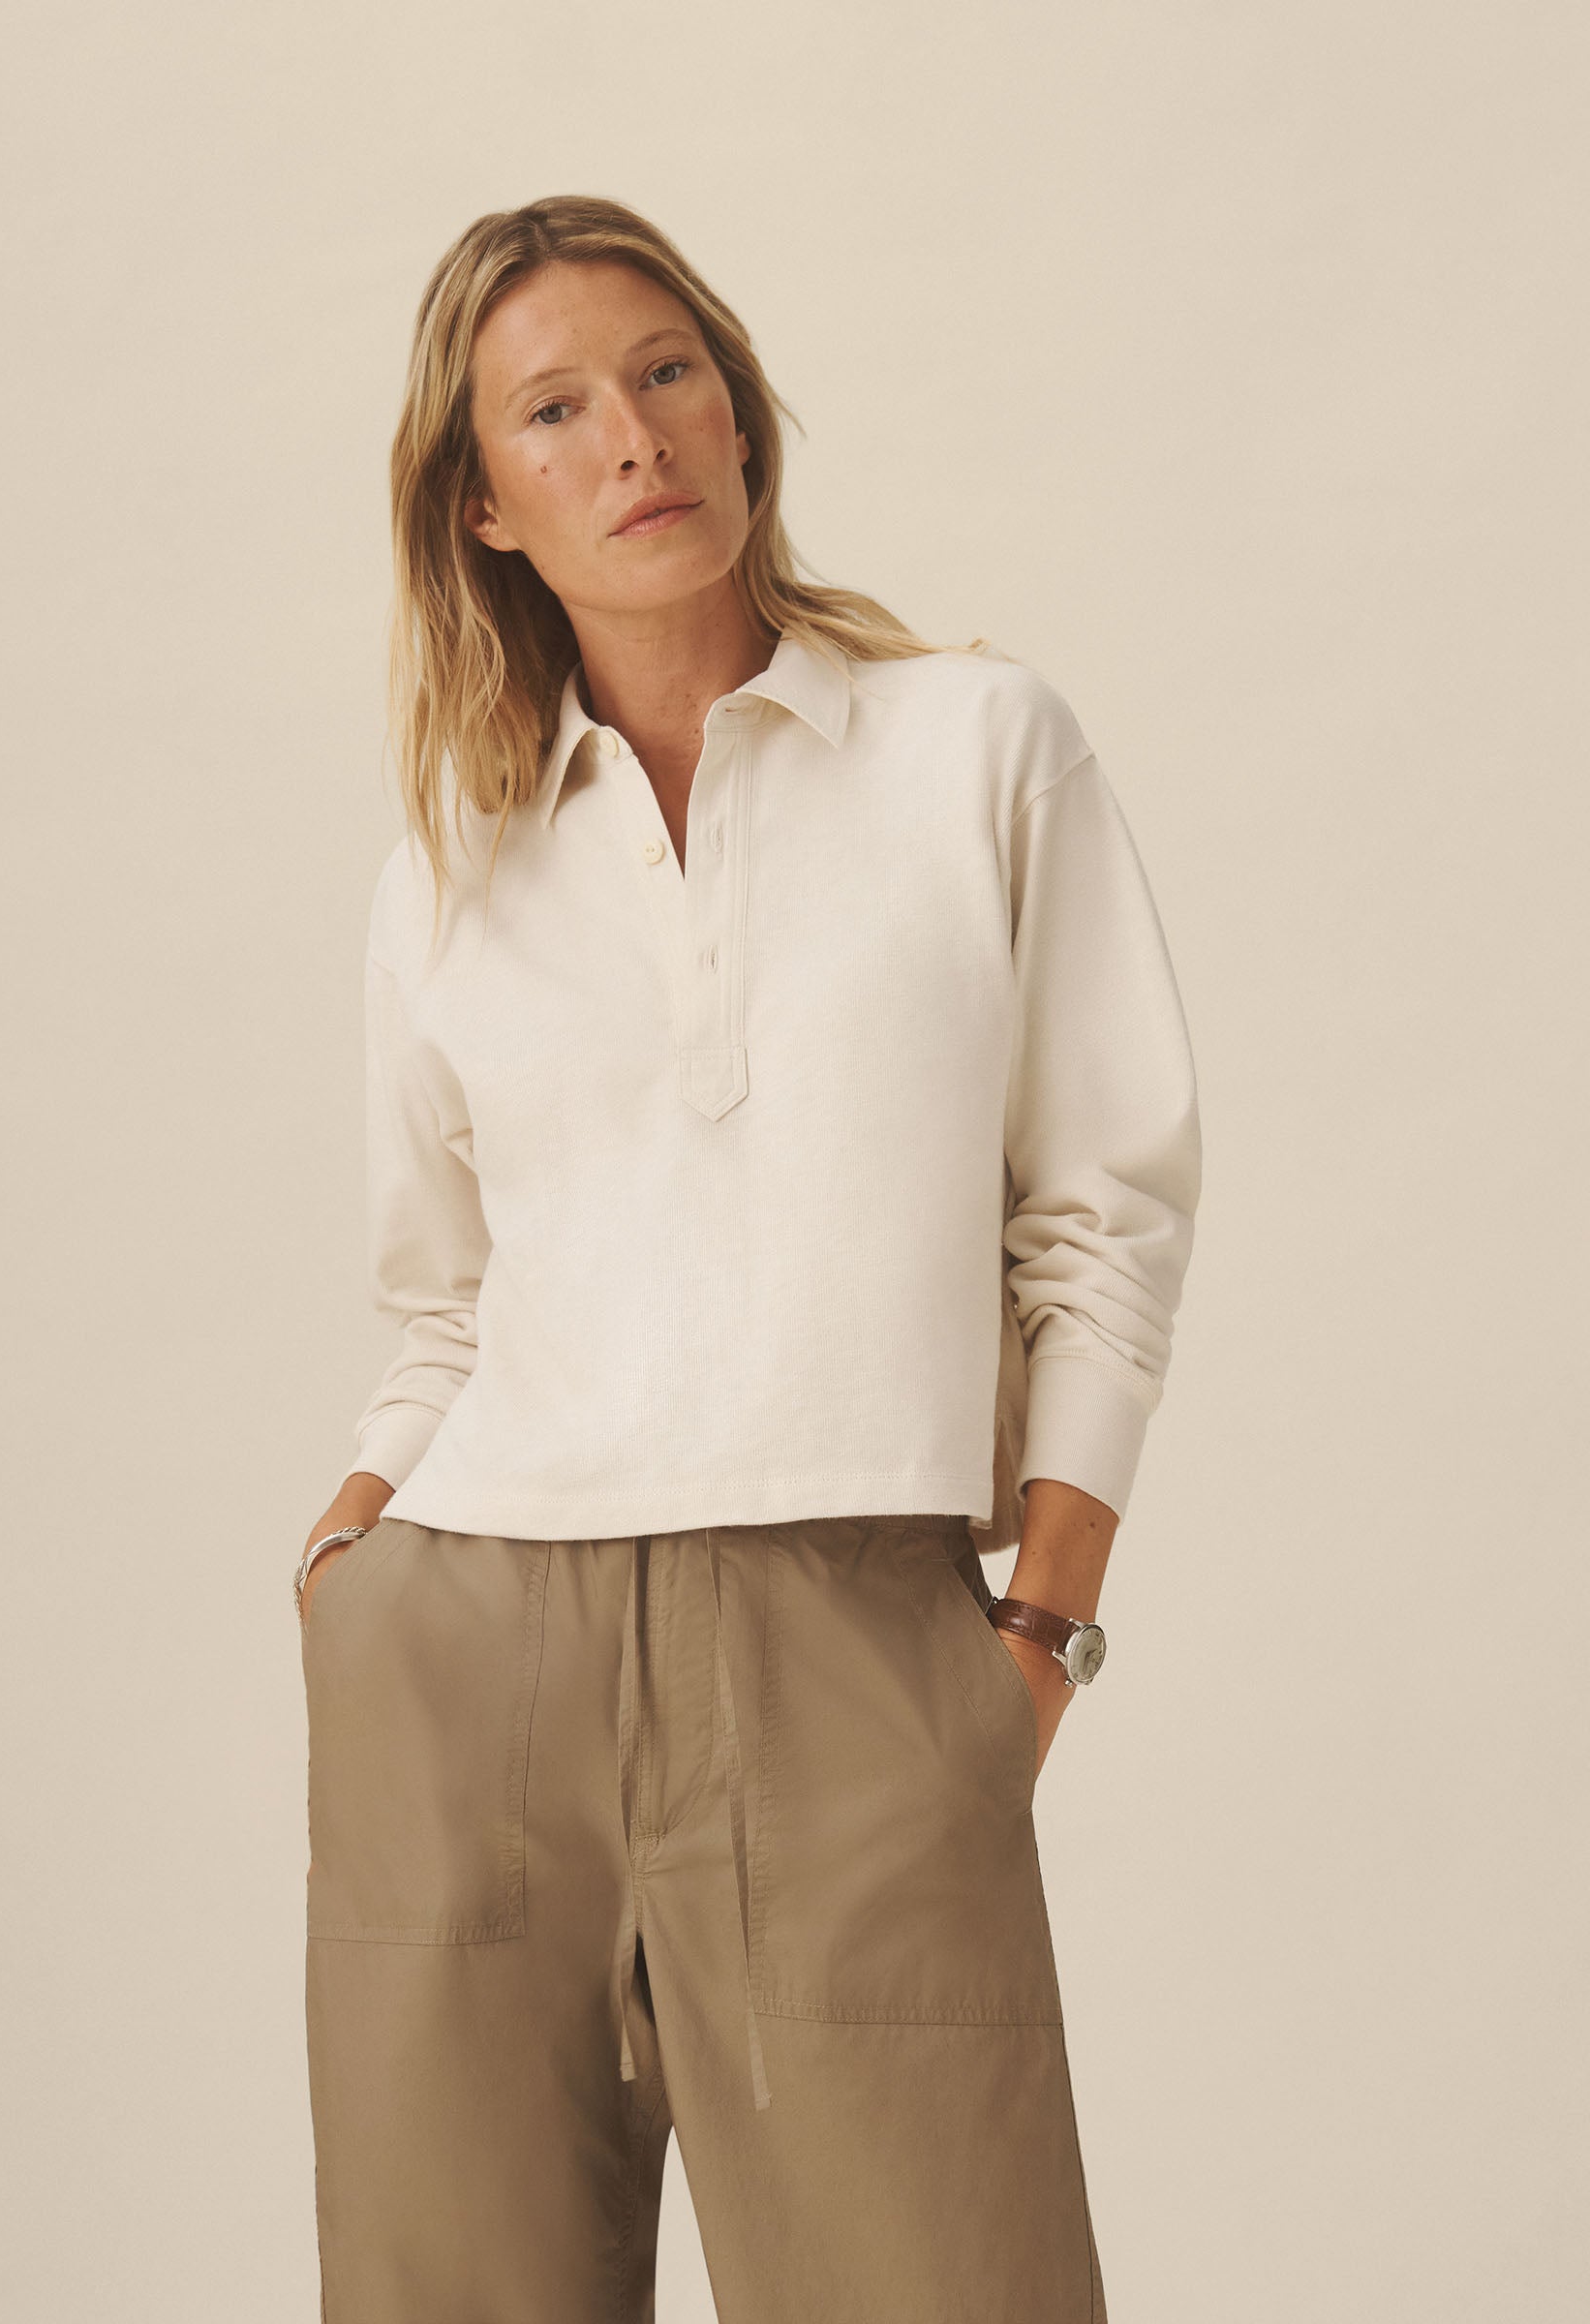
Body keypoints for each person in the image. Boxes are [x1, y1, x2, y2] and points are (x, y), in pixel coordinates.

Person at [293, 193, 1201, 2323]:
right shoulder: (452, 860)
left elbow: (1104, 1211)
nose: (633, 435)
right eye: (554, 409)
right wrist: (351, 1553)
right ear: (482, 504)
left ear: (738, 410)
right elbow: (442, 1301)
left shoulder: (977, 746)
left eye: (667, 371)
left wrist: (1042, 1626)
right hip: (471, 1667)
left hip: (853, 1640)